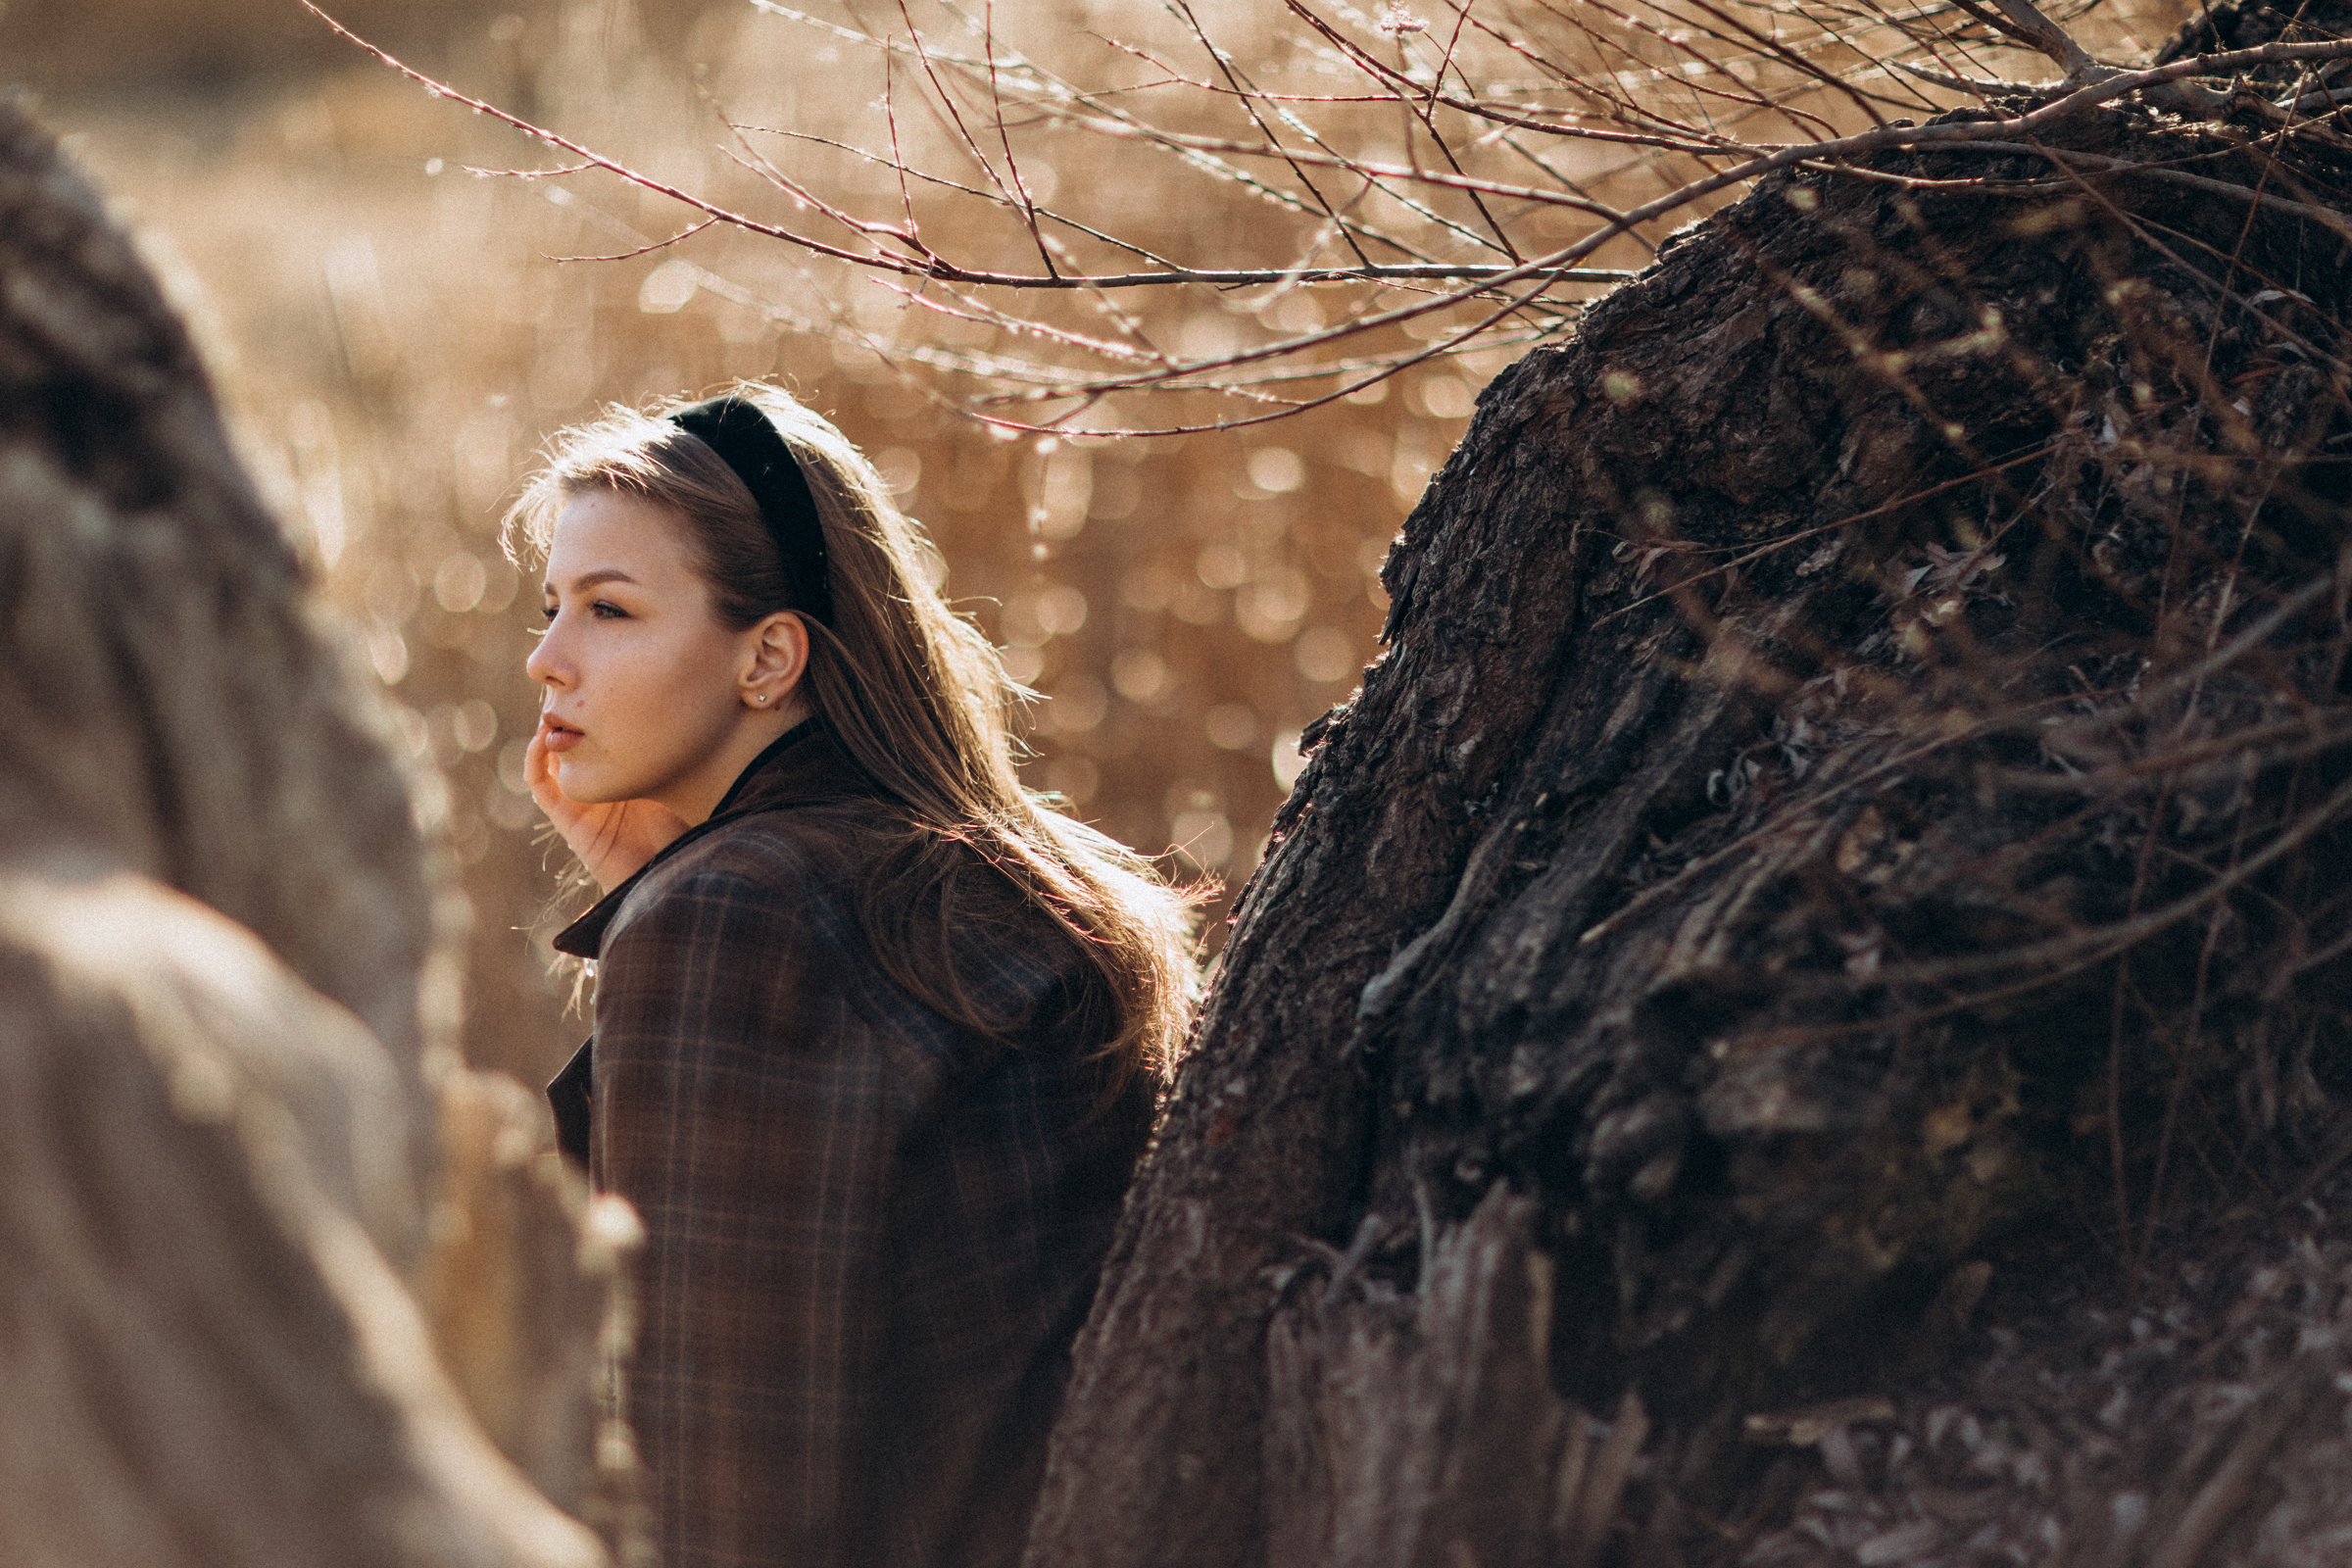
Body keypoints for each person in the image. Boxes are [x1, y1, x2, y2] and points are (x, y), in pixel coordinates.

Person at [511, 385, 1196, 1568]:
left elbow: (718, 1495)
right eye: (553, 606)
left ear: (770, 656)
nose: (546, 660)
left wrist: (673, 909)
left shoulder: (738, 916)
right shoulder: (992, 879)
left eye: (609, 610)